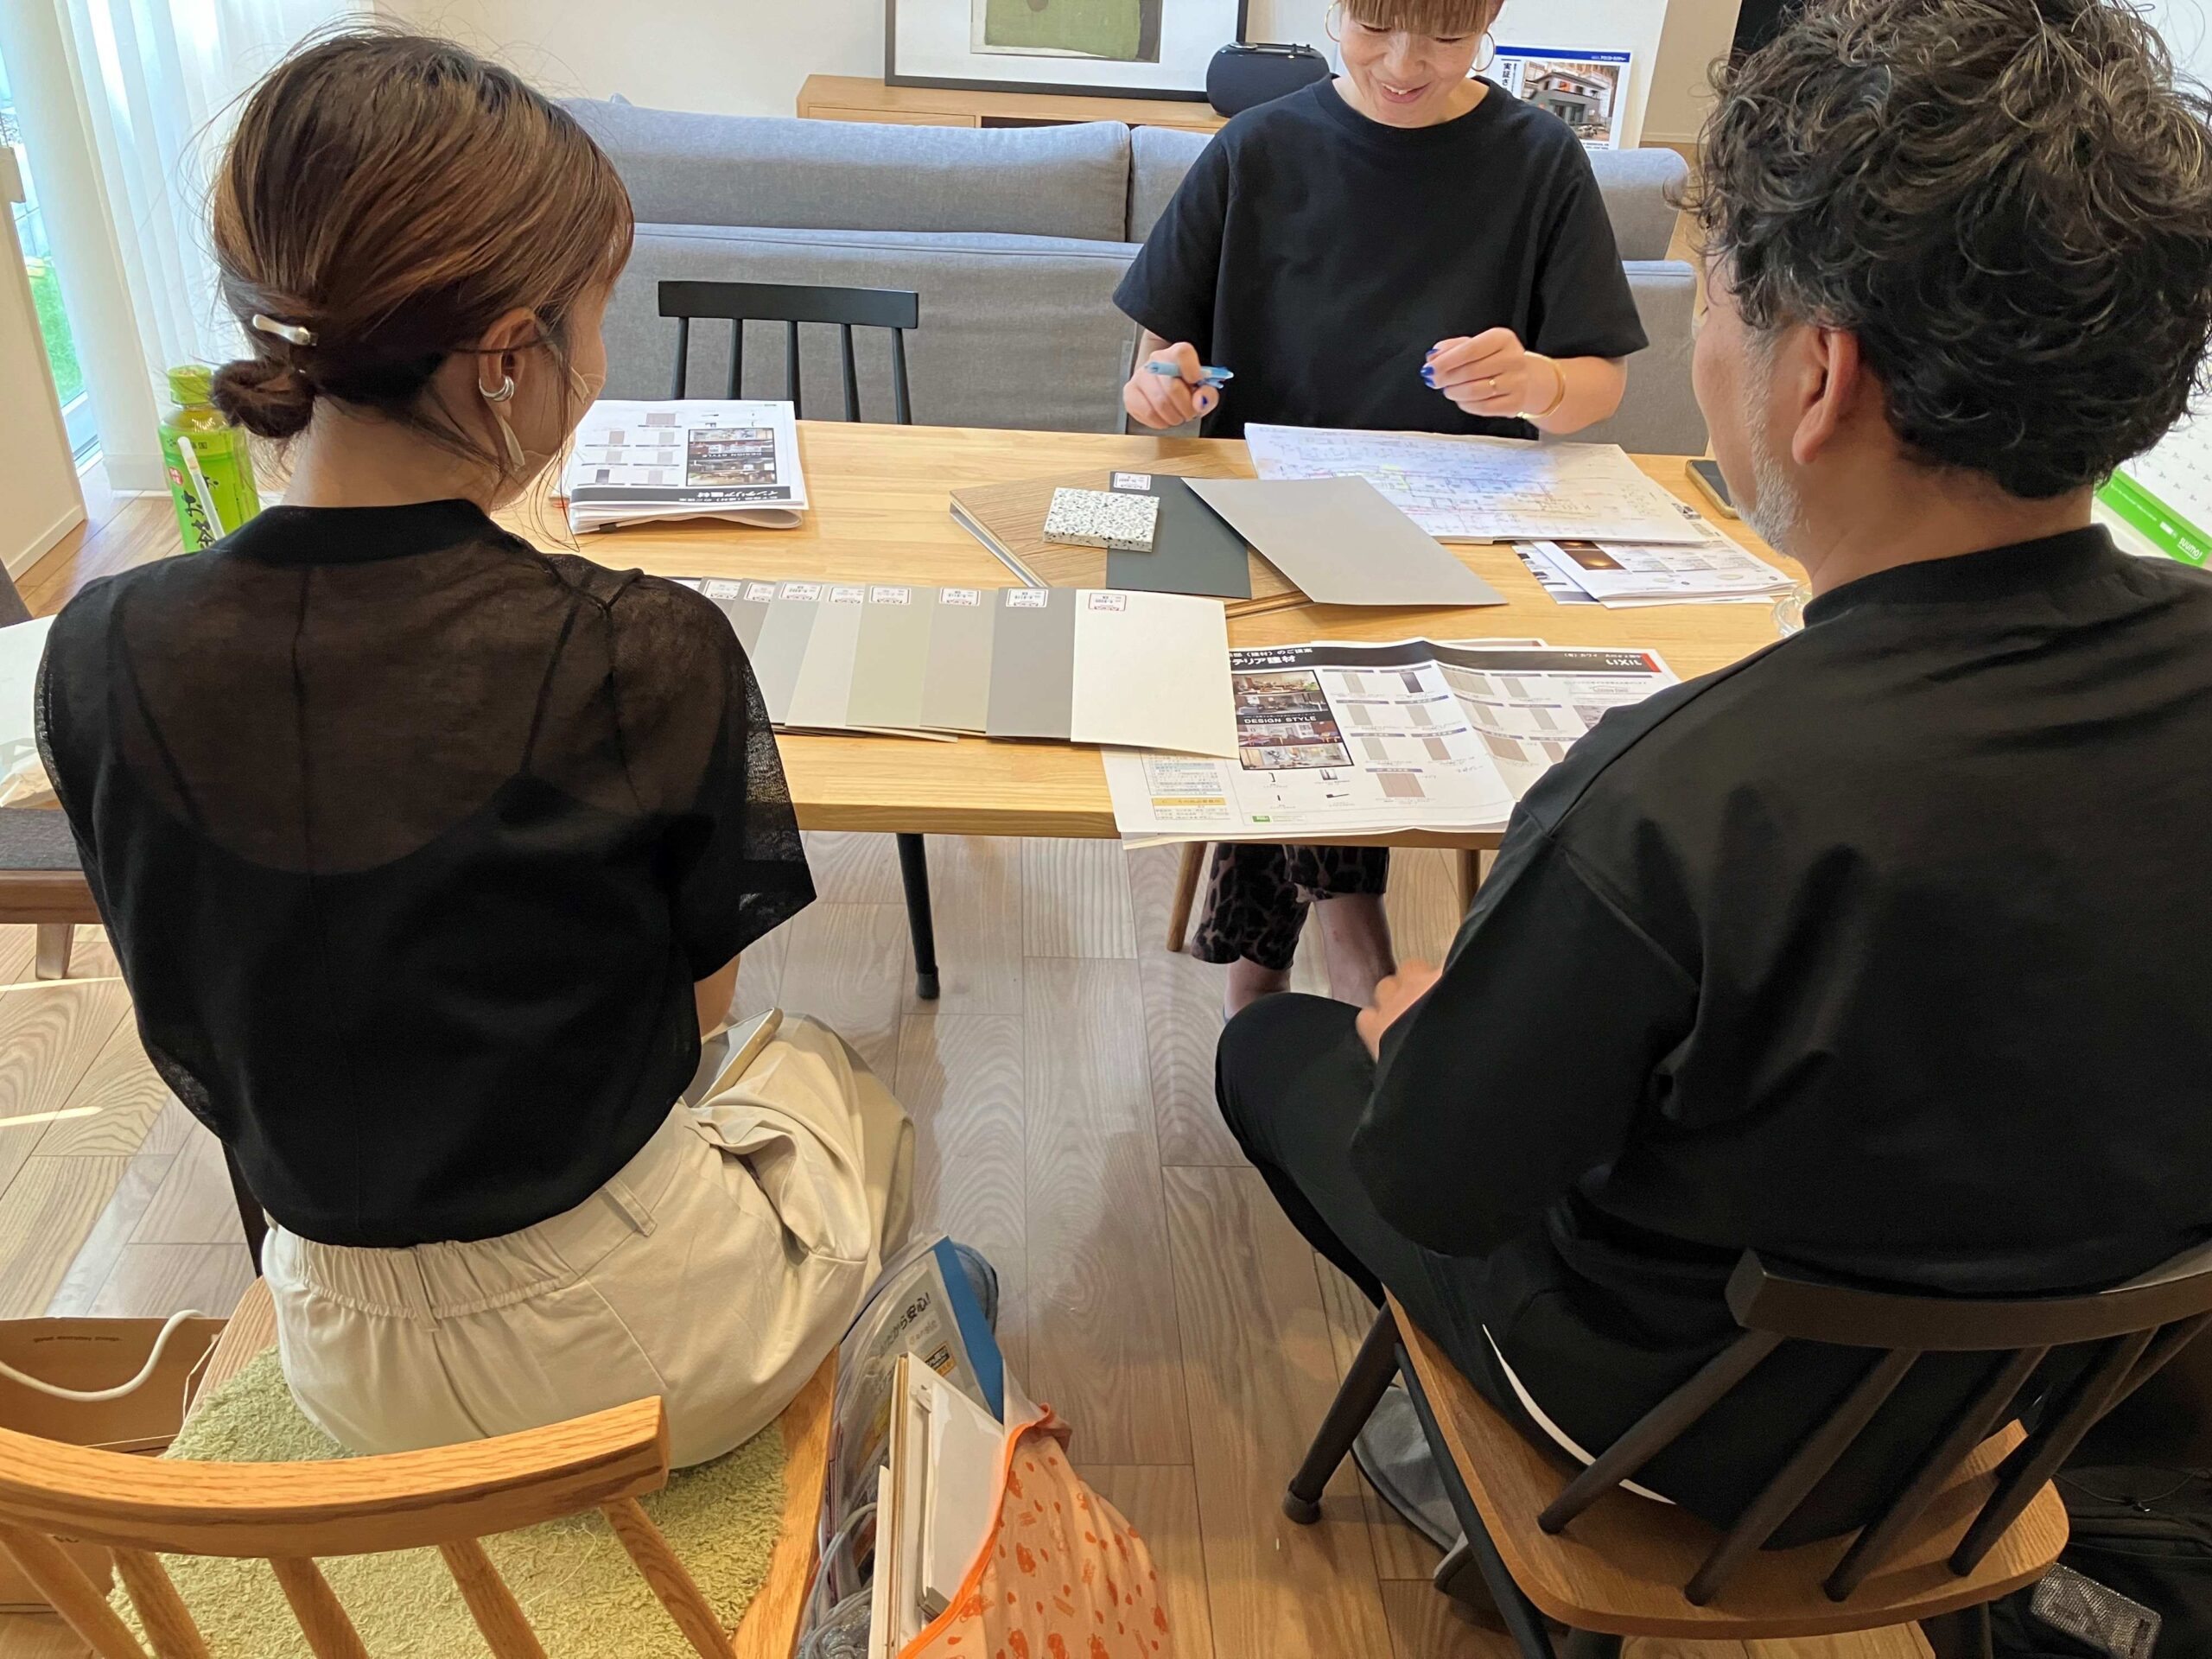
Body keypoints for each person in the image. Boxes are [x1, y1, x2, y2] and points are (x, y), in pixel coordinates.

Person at [1215, 0, 2212, 1541]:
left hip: (1689, 1429)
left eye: (1721, 298)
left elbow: (1434, 1183)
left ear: (1818, 377)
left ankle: (1464, 1440)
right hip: (2030, 1412)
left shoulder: (1681, 795)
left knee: (1279, 1053)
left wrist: (1418, 1041)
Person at [35, 32, 914, 1468]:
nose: (599, 369)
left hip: (337, 1352)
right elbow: (692, 1029)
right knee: (833, 1083)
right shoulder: (648, 648)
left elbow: (199, 1016)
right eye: (593, 324)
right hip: (632, 1365)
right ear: (510, 357)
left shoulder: (95, 649)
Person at [1113, 0, 1648, 1015]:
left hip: (1449, 539)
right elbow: (1154, 372)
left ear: (1488, 19)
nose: (1405, 64)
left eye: (1444, 37)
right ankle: (1345, 922)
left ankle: (1265, 962)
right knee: (1303, 645)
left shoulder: (1538, 161)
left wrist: (1537, 382)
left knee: (1318, 659)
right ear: (1336, 10)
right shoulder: (1257, 150)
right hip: (1261, 527)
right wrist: (1162, 391)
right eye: (1375, 27)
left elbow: (1598, 383)